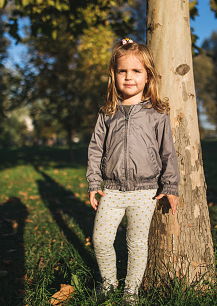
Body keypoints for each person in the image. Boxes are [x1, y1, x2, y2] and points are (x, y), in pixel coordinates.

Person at [86, 38, 180, 305]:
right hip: (112, 190)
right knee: (101, 240)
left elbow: (168, 153)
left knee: (136, 244)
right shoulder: (107, 113)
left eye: (136, 71)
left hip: (145, 192)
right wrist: (94, 183)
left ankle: (131, 292)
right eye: (122, 71)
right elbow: (95, 149)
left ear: (147, 76)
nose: (129, 77)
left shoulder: (156, 113)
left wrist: (170, 187)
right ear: (114, 75)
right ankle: (109, 284)